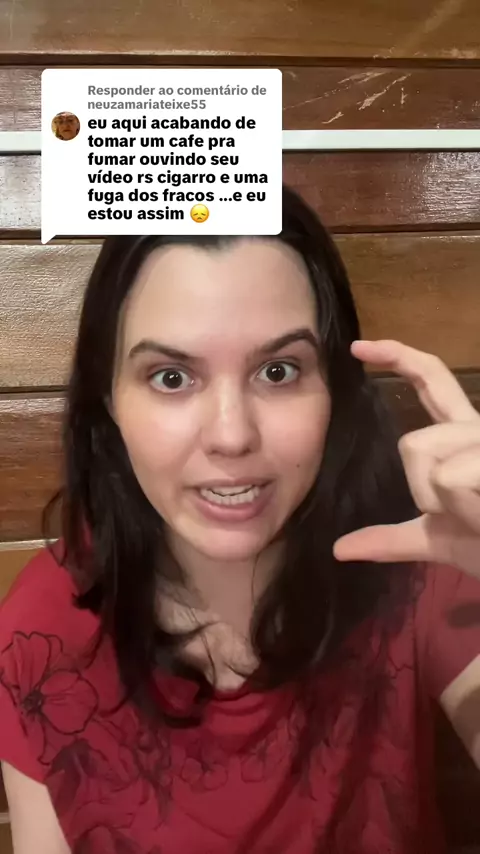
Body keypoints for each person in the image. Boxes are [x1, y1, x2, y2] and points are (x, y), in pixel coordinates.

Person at [1, 185, 480, 854]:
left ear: (334, 391)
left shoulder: (421, 556)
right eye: (171, 378)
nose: (231, 436)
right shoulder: (42, 629)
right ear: (109, 399)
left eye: (278, 371)